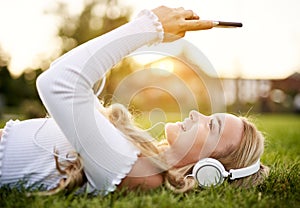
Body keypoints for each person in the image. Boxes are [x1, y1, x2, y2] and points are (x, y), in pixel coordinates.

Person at [0, 6, 269, 195]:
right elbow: (63, 70)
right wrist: (145, 31)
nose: (197, 115)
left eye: (212, 127)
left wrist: (150, 28)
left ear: (207, 170)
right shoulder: (138, 153)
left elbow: (57, 81)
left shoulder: (138, 172)